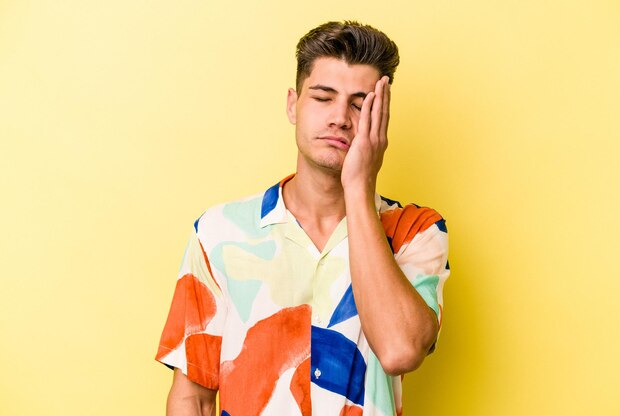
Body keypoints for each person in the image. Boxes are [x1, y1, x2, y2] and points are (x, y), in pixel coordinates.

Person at [156, 20, 450, 416]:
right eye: (323, 97)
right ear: (293, 105)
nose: (340, 118)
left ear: (381, 121)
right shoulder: (217, 232)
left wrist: (359, 189)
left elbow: (400, 351)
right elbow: (193, 395)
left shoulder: (416, 232)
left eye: (360, 105)